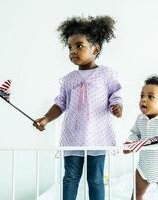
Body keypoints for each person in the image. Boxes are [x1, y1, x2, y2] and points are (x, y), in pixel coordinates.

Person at [33, 15, 123, 200]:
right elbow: (60, 103)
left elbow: (116, 93)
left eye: (79, 46)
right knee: (70, 177)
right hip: (73, 136)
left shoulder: (106, 74)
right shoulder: (69, 79)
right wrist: (46, 119)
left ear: (95, 49)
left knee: (95, 179)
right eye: (70, 47)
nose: (73, 51)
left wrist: (116, 105)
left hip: (97, 136)